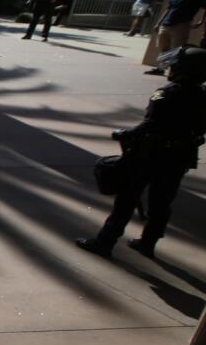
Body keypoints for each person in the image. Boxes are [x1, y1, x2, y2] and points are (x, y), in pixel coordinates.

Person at [77, 46, 206, 259]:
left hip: (151, 154)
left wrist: (124, 134)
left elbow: (151, 124)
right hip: (180, 156)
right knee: (162, 201)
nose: (171, 68)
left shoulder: (167, 93)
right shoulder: (202, 95)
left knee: (127, 199)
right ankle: (148, 242)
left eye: (176, 64)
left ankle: (105, 242)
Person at [145, 0, 206, 74]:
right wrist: (158, 23)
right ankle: (161, 69)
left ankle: (173, 71)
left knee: (176, 49)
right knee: (163, 48)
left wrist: (201, 21)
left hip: (181, 25)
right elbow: (168, 10)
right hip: (166, 24)